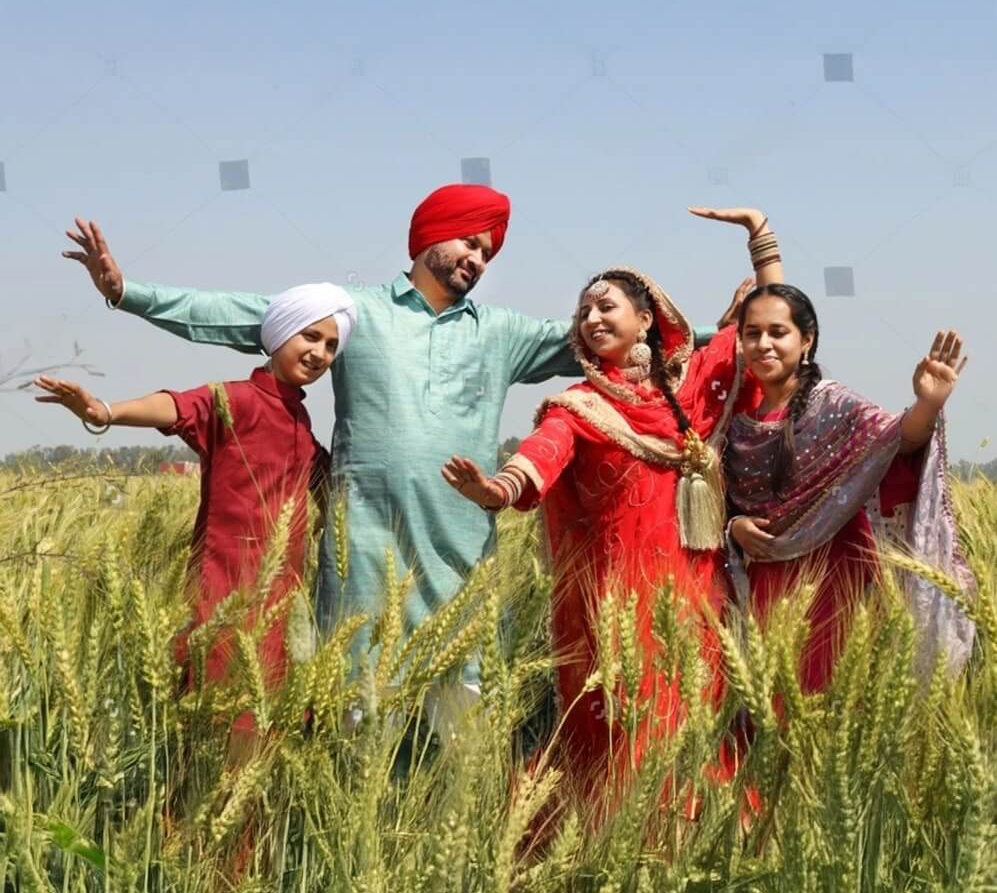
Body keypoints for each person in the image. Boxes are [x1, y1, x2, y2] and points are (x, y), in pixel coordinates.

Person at [61, 189, 736, 710]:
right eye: (467, 242)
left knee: (461, 713)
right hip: (365, 543)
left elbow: (618, 336)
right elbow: (245, 314)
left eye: (486, 252)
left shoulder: (503, 332)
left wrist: (735, 329)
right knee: (358, 710)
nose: (476, 257)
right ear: (428, 239)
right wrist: (128, 294)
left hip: (460, 548)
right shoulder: (355, 312)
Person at [442, 207, 782, 796]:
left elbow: (772, 322)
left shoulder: (694, 387)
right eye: (584, 312)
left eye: (606, 307)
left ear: (647, 319)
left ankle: (695, 839)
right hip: (616, 602)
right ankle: (618, 841)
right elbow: (542, 454)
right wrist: (497, 489)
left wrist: (761, 241)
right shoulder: (578, 406)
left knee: (696, 720)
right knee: (626, 731)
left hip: (695, 593)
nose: (592, 318)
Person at [34, 283, 357, 726]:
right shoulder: (236, 400)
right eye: (310, 336)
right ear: (279, 333)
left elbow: (322, 475)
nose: (320, 352)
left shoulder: (300, 418)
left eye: (331, 345)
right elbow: (176, 407)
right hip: (223, 587)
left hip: (283, 597)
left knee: (267, 723)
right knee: (214, 715)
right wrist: (107, 412)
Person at [724, 284, 976, 691]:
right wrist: (734, 527)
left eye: (777, 332)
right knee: (770, 714)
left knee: (834, 701)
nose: (763, 344)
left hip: (837, 580)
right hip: (766, 584)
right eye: (752, 333)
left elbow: (897, 442)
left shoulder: (834, 406)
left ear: (806, 340)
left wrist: (927, 404)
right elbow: (723, 506)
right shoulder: (736, 425)